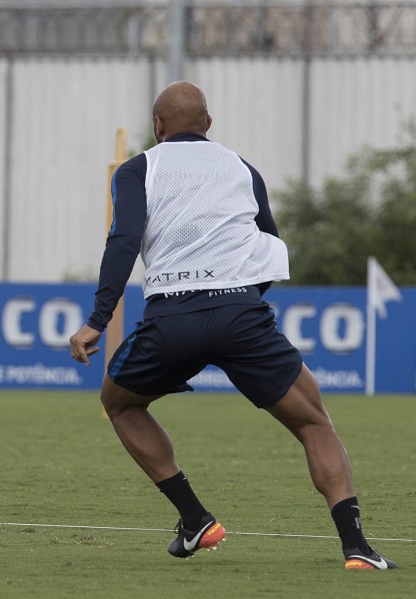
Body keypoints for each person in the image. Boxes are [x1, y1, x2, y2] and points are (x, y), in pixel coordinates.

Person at [69, 81, 396, 569]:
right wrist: (241, 304)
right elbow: (269, 245)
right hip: (241, 315)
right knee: (313, 422)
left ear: (157, 126)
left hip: (171, 317)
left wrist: (98, 320)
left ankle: (195, 519)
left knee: (119, 404)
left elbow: (123, 241)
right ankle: (357, 549)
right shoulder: (242, 168)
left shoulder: (140, 168)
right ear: (209, 124)